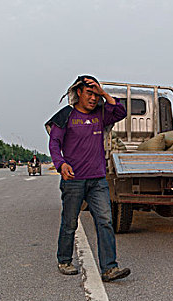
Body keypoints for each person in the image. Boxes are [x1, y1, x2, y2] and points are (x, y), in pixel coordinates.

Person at [45, 75, 131, 282]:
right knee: (70, 222)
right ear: (79, 94)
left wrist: (103, 92)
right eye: (89, 93)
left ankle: (109, 268)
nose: (93, 98)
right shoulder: (66, 115)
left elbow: (120, 112)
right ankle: (64, 260)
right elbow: (54, 143)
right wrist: (61, 164)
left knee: (105, 221)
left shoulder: (100, 115)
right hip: (73, 180)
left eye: (95, 94)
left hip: (98, 180)